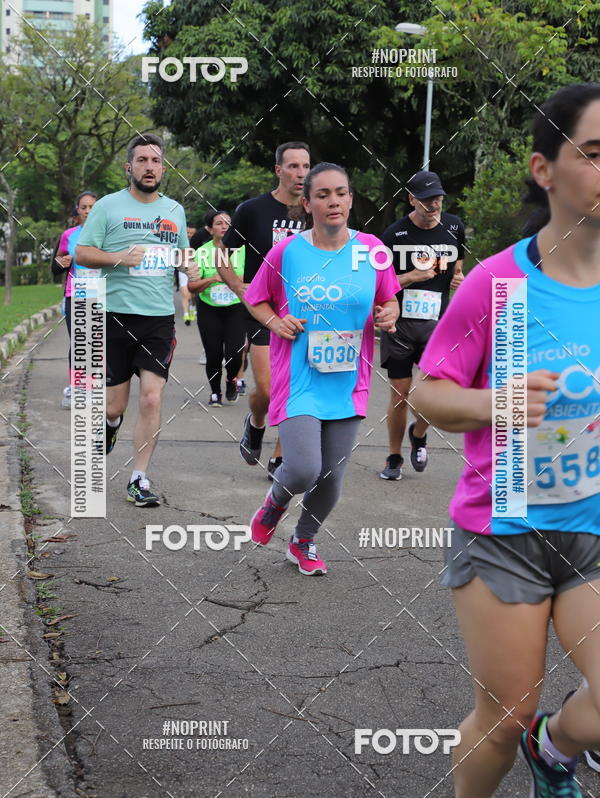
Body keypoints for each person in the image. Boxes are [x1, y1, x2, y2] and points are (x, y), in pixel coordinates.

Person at [412, 82, 600, 798]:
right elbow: (429, 391)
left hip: (595, 529)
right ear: (544, 168)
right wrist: (494, 403)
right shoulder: (497, 284)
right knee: (502, 718)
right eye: (595, 153)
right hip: (507, 531)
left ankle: (553, 749)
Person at [245, 163, 400, 575]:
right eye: (323, 194)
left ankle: (303, 541)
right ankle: (275, 503)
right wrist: (276, 322)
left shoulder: (372, 250)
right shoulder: (288, 252)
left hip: (349, 380)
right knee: (303, 468)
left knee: (331, 480)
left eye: (341, 193)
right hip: (299, 377)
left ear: (350, 198)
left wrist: (389, 314)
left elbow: (389, 298)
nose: (334, 201)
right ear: (308, 202)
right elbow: (255, 298)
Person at [75, 133, 192, 507]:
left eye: (155, 161)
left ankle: (138, 478)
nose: (149, 167)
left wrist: (186, 263)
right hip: (113, 316)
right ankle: (109, 426)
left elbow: (181, 256)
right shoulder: (108, 207)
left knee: (152, 398)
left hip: (159, 318)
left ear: (163, 167)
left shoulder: (174, 211)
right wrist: (119, 258)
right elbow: (82, 253)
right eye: (142, 160)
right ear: (130, 167)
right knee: (114, 406)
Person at [218, 141, 311, 479]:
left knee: (296, 388)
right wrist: (237, 287)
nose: (301, 173)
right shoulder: (252, 210)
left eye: (305, 166)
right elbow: (222, 254)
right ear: (278, 170)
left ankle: (279, 456)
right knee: (269, 391)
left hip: (307, 312)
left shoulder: (316, 211)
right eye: (293, 167)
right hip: (264, 312)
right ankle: (256, 422)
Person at [379, 170, 465, 480]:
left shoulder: (454, 226)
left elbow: (457, 263)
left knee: (433, 392)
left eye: (438, 199)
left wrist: (458, 277)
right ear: (412, 200)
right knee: (400, 393)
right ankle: (393, 457)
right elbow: (381, 284)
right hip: (401, 327)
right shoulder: (394, 235)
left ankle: (419, 432)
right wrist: (411, 277)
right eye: (427, 200)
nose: (434, 205)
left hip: (436, 327)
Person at [188, 210, 246, 407]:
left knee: (235, 353)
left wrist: (232, 280)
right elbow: (191, 287)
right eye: (219, 223)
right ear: (210, 228)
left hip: (236, 308)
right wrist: (213, 278)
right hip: (209, 309)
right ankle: (215, 392)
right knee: (213, 354)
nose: (224, 226)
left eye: (228, 223)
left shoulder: (243, 250)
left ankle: (231, 380)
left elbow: (252, 280)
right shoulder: (202, 252)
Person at [53, 192, 98, 409]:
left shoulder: (107, 235)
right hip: (76, 293)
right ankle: (77, 387)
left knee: (97, 343)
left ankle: (94, 386)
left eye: (92, 207)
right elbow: (55, 267)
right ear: (77, 211)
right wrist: (64, 262)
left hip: (102, 294)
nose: (88, 211)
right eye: (84, 207)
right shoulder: (69, 235)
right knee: (80, 343)